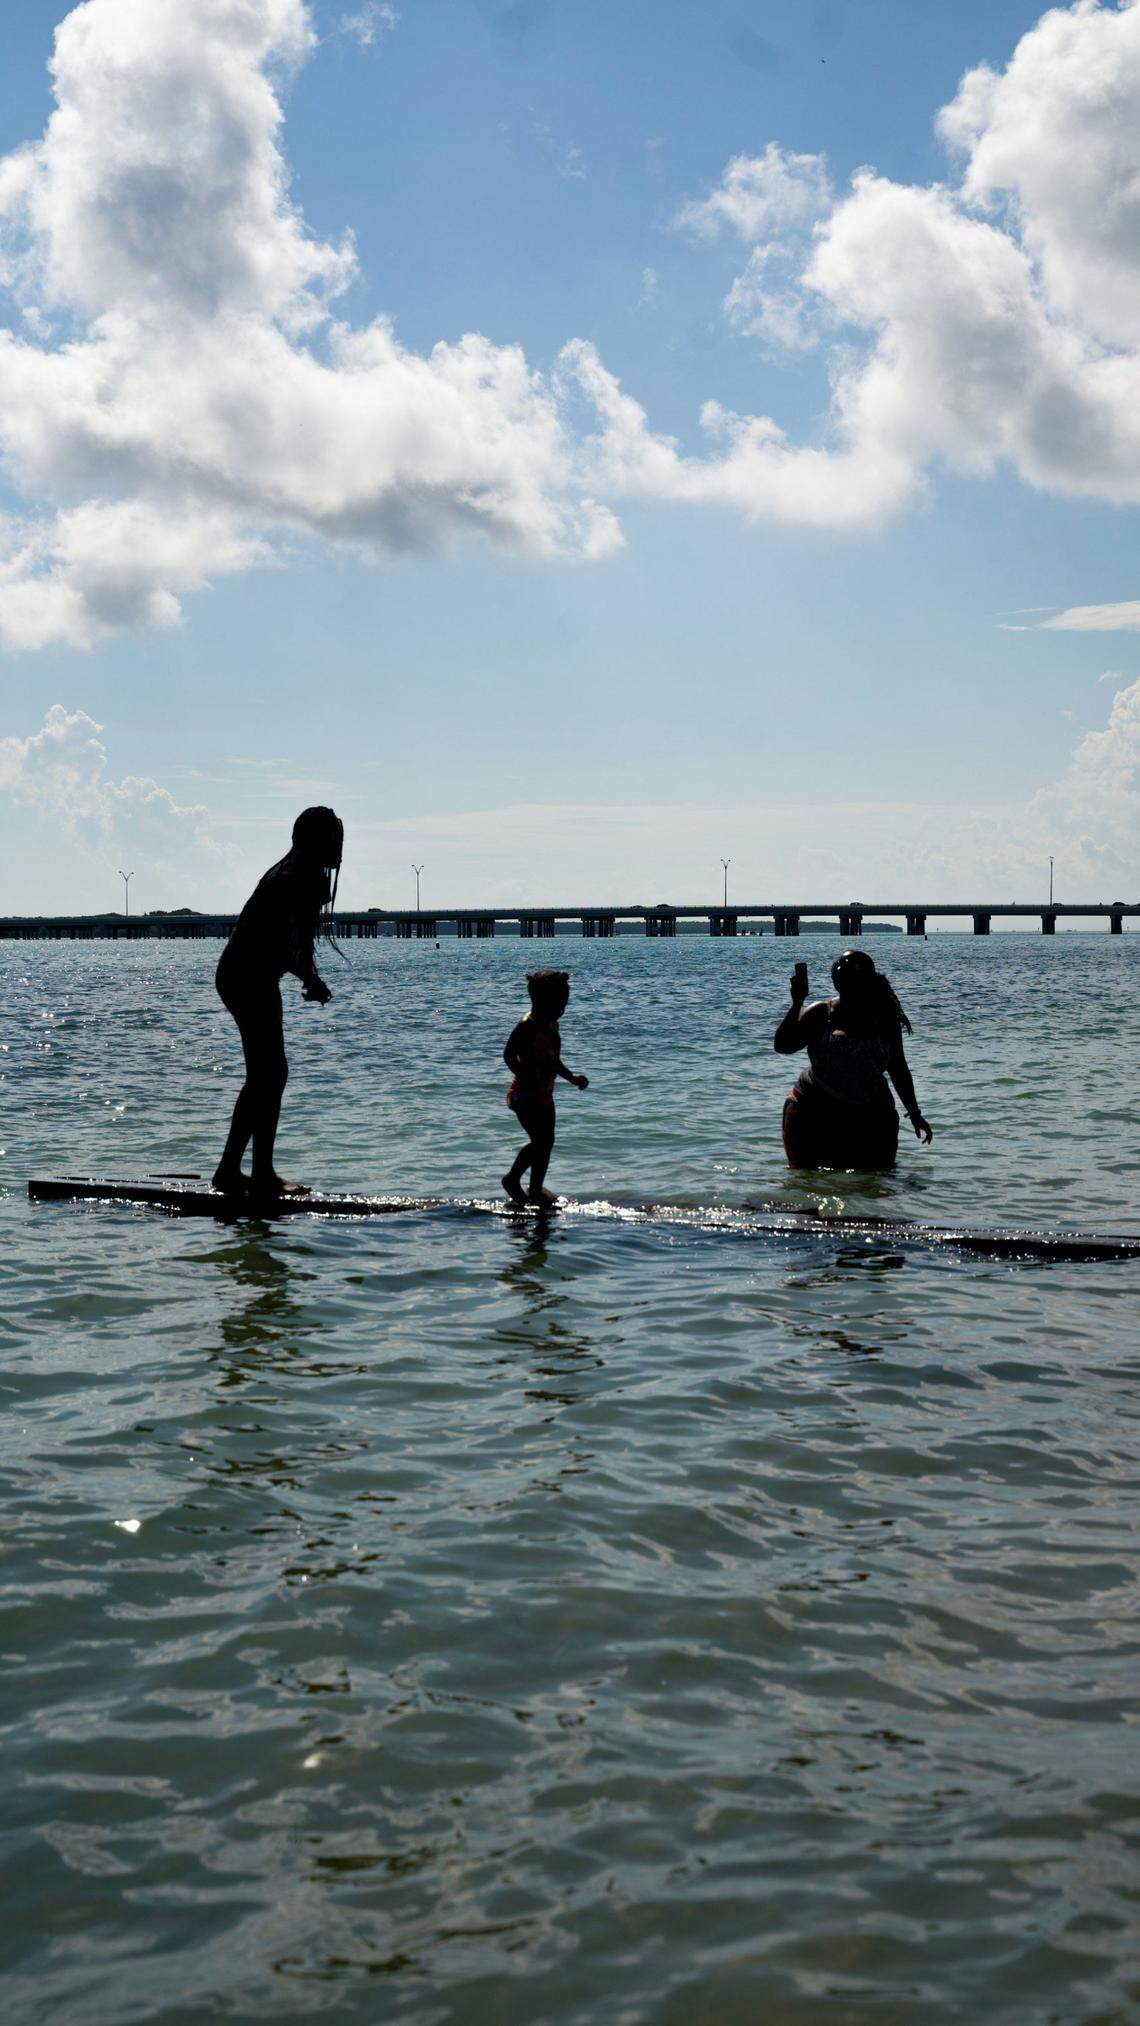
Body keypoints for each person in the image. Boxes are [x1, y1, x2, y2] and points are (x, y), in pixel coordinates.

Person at [213, 806, 343, 1200]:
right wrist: (312, 980)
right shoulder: (296, 875)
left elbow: (295, 939)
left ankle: (241, 1169)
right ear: (315, 841)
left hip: (251, 975)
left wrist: (309, 975)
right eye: (334, 838)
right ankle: (245, 1171)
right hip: (246, 977)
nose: (340, 847)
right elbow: (285, 942)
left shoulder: (301, 871)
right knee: (268, 1074)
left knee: (270, 1074)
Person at [774, 949, 932, 1170]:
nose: (842, 973)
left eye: (850, 970)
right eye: (839, 968)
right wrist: (797, 1003)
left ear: (867, 979)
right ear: (835, 979)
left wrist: (915, 1114)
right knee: (806, 1185)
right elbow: (782, 1046)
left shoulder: (884, 1018)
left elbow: (898, 1067)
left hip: (871, 1117)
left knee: (873, 1189)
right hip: (813, 1111)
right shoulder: (821, 1013)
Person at [502, 970, 588, 1206]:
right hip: (524, 1094)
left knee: (547, 1141)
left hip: (545, 1094)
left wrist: (572, 1078)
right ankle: (512, 1180)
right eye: (559, 1002)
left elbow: (553, 1061)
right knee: (540, 1141)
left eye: (565, 1002)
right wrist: (523, 1074)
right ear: (540, 1000)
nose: (563, 1007)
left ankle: (535, 1189)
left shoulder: (552, 1026)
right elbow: (508, 1054)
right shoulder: (526, 1026)